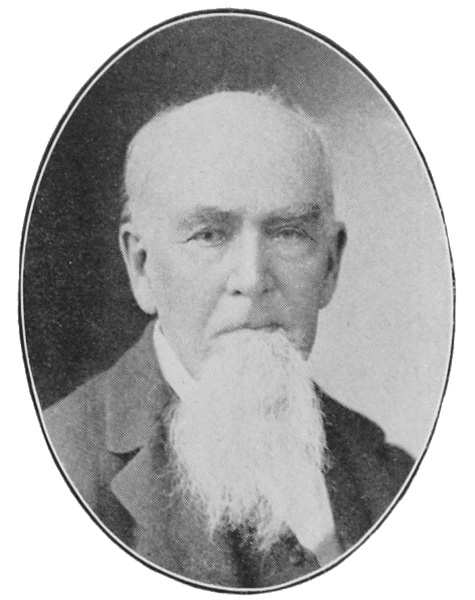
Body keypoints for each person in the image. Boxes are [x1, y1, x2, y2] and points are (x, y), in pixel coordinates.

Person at [44, 90, 414, 589]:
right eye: (209, 235)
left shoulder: (391, 475)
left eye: (288, 233)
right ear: (142, 267)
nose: (252, 278)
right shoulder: (50, 471)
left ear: (330, 266)